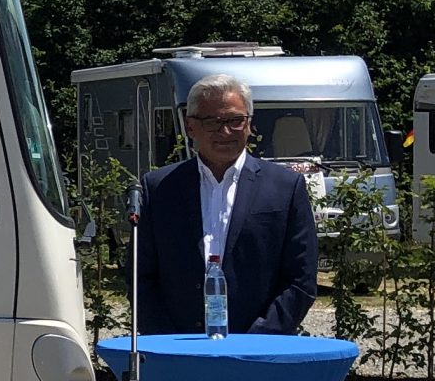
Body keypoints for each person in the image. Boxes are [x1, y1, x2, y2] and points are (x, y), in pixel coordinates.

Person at [135, 72, 319, 336]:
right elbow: (140, 277)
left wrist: (259, 339)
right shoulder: (160, 188)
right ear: (190, 126)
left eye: (235, 120)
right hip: (177, 348)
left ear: (249, 124)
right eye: (212, 121)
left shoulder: (285, 188)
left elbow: (301, 279)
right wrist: (166, 339)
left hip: (259, 350)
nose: (225, 132)